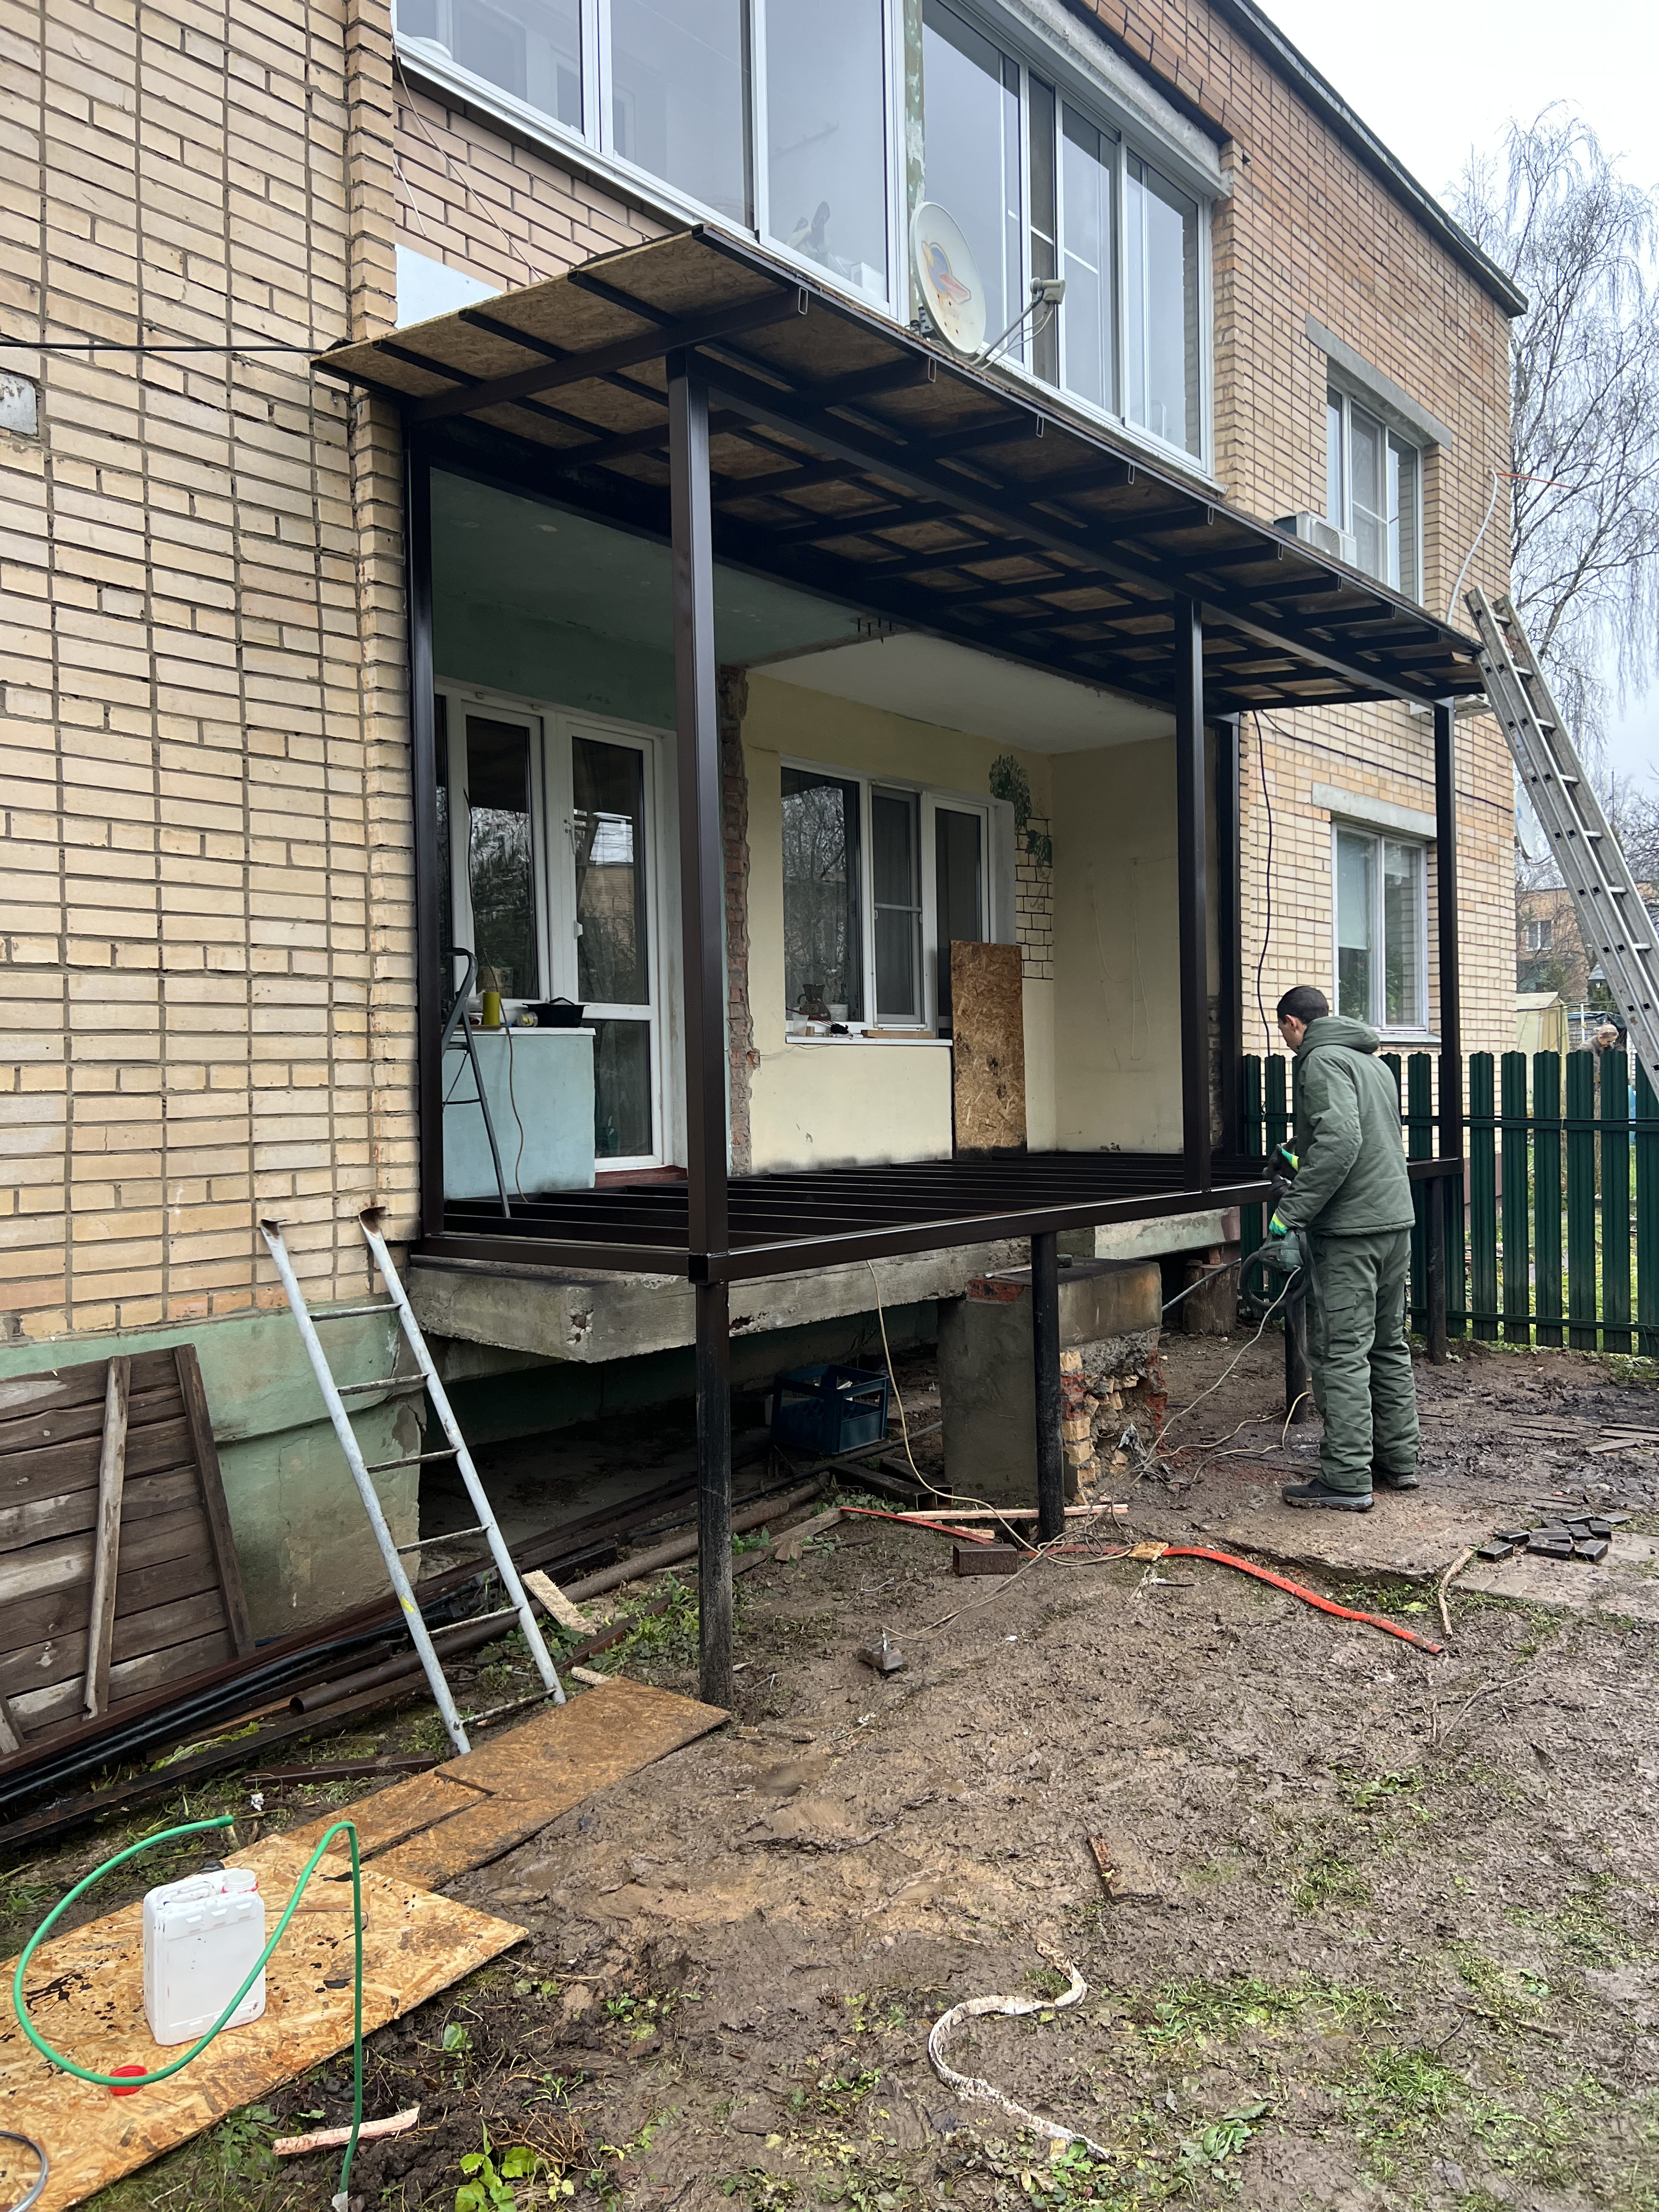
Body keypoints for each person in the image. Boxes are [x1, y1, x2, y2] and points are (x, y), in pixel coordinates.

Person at [1269, 985, 1418, 1511]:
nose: (1286, 1041)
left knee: (1342, 1352)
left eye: (1283, 1031)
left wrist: (1290, 1213)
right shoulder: (1370, 1063)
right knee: (1388, 1345)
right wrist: (1297, 1155)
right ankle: (1398, 1462)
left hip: (1351, 1232)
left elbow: (1341, 1142)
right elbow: (1362, 1137)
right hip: (1393, 1221)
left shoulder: (1320, 1061)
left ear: (1293, 1023)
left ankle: (1347, 1477)